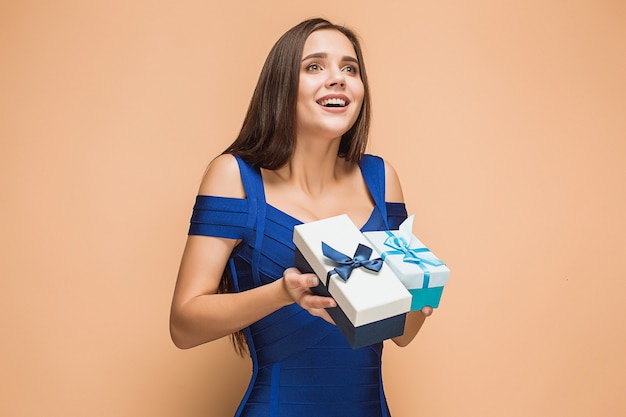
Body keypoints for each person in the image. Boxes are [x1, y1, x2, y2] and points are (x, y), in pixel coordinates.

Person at [170, 17, 433, 417]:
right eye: (315, 66)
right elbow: (184, 326)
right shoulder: (234, 177)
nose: (338, 78)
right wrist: (282, 293)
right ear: (281, 87)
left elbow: (402, 334)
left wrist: (421, 294)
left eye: (350, 68)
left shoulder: (382, 180)